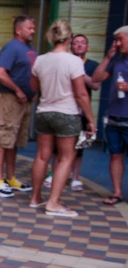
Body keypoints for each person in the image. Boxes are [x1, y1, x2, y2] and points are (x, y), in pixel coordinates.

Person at [28, 20, 94, 218]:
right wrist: (90, 119)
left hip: (44, 112)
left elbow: (33, 87)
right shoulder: (74, 61)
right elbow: (82, 94)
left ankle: (35, 197)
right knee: (67, 158)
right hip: (67, 113)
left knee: (42, 155)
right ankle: (53, 203)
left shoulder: (40, 60)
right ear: (70, 38)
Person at [43, 33, 101, 191]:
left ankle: (75, 178)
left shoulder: (92, 65)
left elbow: (95, 85)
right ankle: (53, 174)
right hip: (64, 110)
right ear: (71, 46)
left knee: (80, 147)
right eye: (76, 43)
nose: (79, 45)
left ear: (87, 47)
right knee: (57, 147)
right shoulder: (64, 61)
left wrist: (80, 73)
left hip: (82, 111)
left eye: (83, 43)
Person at [0, 15, 37, 198]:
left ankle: (11, 178)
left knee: (14, 141)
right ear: (19, 30)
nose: (33, 31)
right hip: (10, 100)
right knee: (3, 139)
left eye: (34, 28)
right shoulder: (12, 48)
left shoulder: (30, 49)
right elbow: (0, 73)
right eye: (29, 28)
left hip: (25, 102)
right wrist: (17, 90)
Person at [93, 26, 128, 205]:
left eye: (121, 39)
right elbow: (97, 78)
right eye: (116, 40)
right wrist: (108, 57)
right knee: (115, 155)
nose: (118, 43)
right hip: (114, 116)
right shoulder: (117, 61)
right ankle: (117, 192)